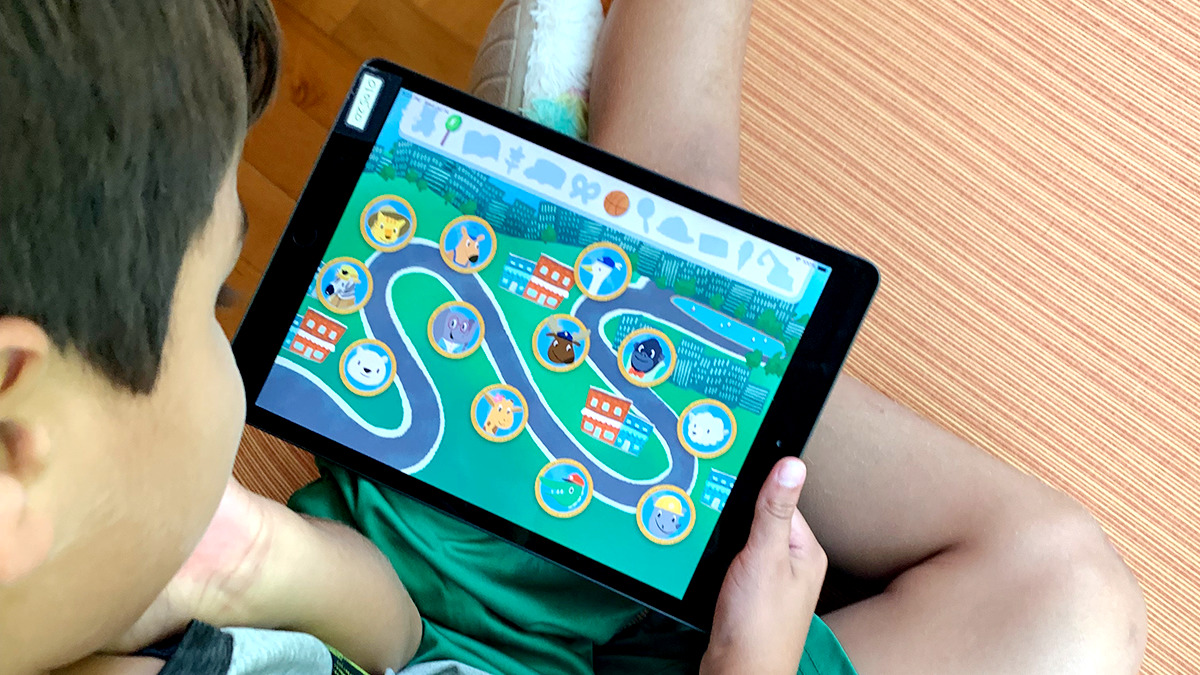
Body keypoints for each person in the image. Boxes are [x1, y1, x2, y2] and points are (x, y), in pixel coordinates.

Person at [0, 3, 1145, 675]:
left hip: (424, 584)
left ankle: (626, 212)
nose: (233, 340)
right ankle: (628, 209)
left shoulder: (99, 594)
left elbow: (395, 646)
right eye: (215, 304)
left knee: (676, 254)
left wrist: (261, 564)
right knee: (1069, 598)